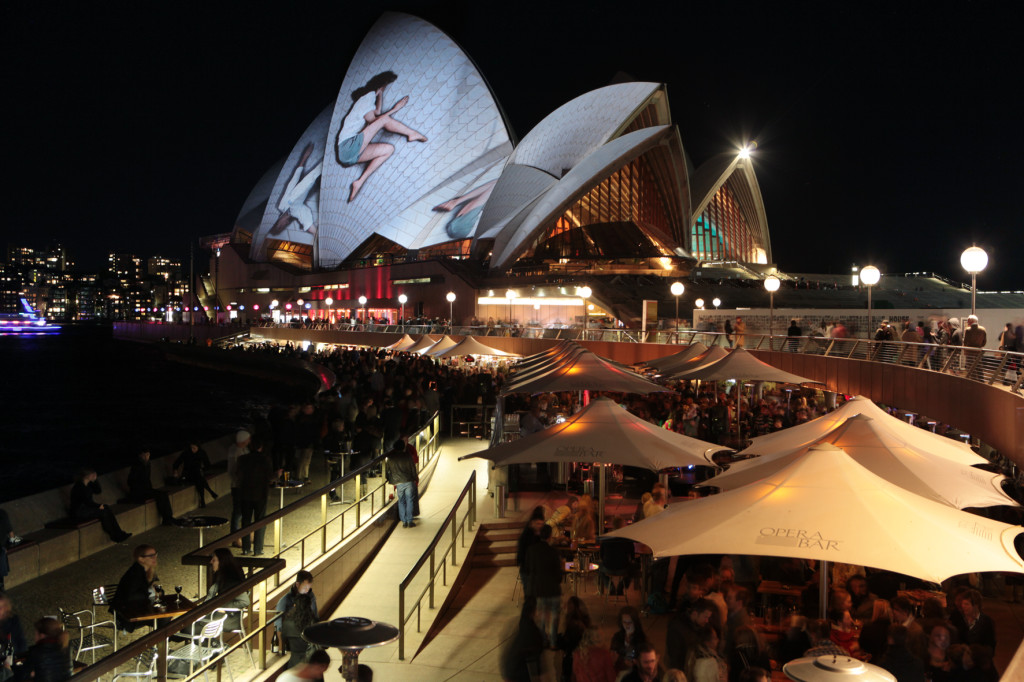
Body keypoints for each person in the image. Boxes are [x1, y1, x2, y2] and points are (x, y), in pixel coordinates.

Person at [335, 71, 428, 202]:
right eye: (385, 86)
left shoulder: (369, 99)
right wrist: (396, 108)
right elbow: (377, 121)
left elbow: (377, 113)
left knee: (388, 150)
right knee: (385, 119)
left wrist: (380, 94)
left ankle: (359, 182)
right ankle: (411, 133)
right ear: (381, 85)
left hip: (349, 156)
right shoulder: (366, 98)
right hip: (348, 146)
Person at [523, 524, 562, 648]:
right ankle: (554, 642)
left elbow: (527, 569)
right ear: (550, 536)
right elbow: (558, 573)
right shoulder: (554, 552)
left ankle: (543, 640)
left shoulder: (532, 550)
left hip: (539, 590)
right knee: (555, 616)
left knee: (542, 617)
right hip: (553, 589)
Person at [237, 437, 277, 556]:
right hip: (260, 494)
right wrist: (277, 475)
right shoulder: (265, 459)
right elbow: (270, 477)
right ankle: (258, 549)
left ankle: (245, 548)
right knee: (260, 521)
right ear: (261, 447)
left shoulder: (242, 459)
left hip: (245, 494)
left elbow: (238, 475)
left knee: (246, 521)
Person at [69, 469, 131, 543]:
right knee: (104, 512)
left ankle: (118, 534)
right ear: (86, 476)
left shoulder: (88, 485)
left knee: (106, 509)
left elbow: (98, 491)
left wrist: (95, 480)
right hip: (80, 512)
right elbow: (87, 502)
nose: (94, 476)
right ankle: (115, 535)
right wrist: (98, 506)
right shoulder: (79, 487)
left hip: (86, 509)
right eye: (92, 475)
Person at [275, 571, 319, 669]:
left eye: (308, 588)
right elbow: (279, 629)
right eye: (305, 587)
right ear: (297, 584)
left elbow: (315, 618)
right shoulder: (284, 602)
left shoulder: (310, 596)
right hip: (291, 646)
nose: (307, 591)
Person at [110, 544, 159, 632]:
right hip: (128, 615)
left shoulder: (148, 572)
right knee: (162, 618)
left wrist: (158, 592)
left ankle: (165, 639)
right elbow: (130, 597)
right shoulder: (134, 574)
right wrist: (149, 594)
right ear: (141, 559)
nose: (155, 558)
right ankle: (165, 640)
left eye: (156, 554)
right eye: (151, 556)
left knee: (165, 616)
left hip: (141, 609)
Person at [126, 449, 175, 526]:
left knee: (163, 494)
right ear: (141, 455)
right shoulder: (137, 466)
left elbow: (147, 479)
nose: (146, 457)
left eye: (148, 455)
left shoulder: (147, 464)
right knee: (161, 495)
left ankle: (169, 517)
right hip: (139, 491)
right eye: (145, 455)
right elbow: (130, 481)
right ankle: (167, 518)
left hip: (146, 489)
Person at [949, 588, 995, 652]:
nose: (963, 606)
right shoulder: (958, 617)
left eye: (966, 604)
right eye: (963, 604)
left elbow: (990, 647)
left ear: (976, 605)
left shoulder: (986, 621)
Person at [25, 617, 70, 682]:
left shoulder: (36, 651)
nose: (34, 636)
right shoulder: (66, 647)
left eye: (36, 633)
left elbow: (23, 674)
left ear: (42, 635)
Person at [174, 441, 217, 508]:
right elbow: (177, 462)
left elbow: (207, 464)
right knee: (200, 479)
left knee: (199, 479)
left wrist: (203, 470)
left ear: (198, 447)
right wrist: (175, 471)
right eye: (191, 448)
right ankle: (210, 492)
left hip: (197, 473)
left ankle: (203, 501)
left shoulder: (201, 453)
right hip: (187, 474)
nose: (192, 450)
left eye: (194, 448)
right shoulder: (186, 453)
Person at [386, 440, 417, 528]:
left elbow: (387, 471)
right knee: (409, 500)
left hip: (398, 482)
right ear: (403, 447)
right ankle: (410, 520)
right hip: (408, 481)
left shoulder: (390, 458)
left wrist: (388, 478)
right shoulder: (408, 456)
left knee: (401, 501)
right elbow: (413, 468)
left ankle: (404, 521)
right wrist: (415, 478)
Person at [611, 605, 649, 673]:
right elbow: (612, 657)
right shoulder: (617, 637)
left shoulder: (641, 639)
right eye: (624, 622)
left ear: (635, 622)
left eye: (630, 622)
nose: (627, 625)